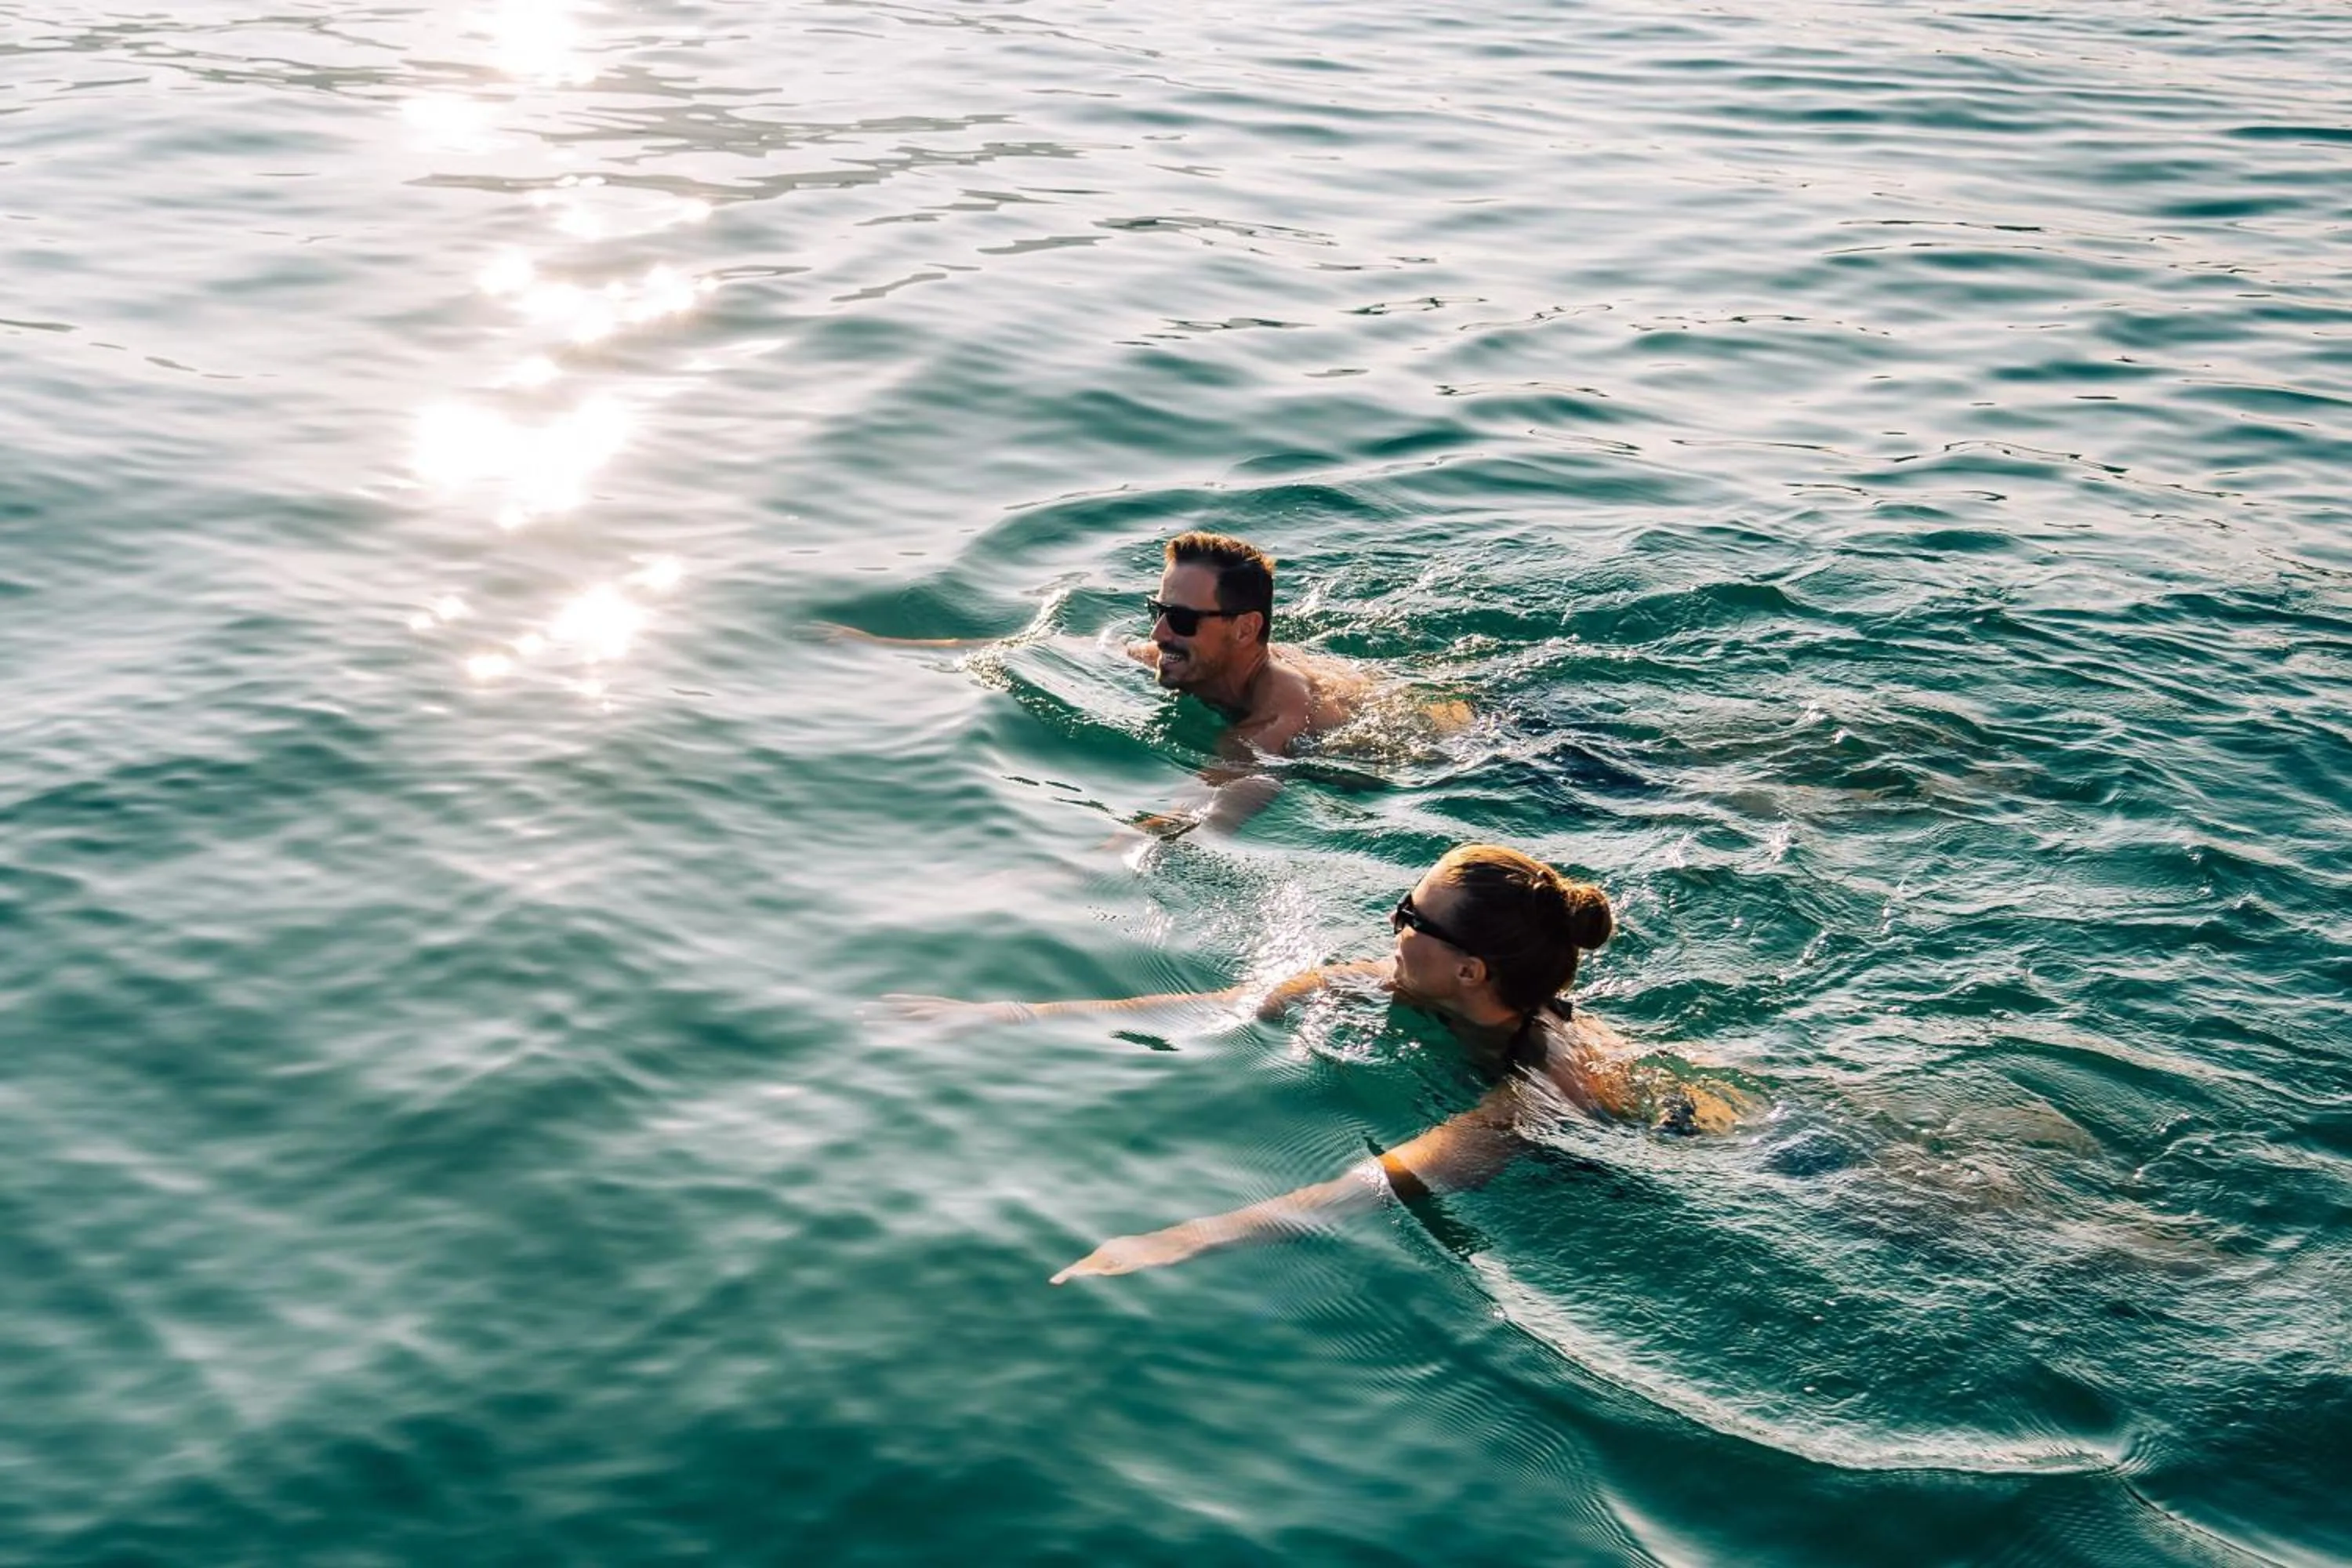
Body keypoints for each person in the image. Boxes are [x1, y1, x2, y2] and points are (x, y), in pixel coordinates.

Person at [886, 844, 1755, 1282]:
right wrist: (1016, 1014)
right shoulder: (1397, 983)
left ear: (1470, 971)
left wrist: (1181, 1238)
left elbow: (1374, 1183)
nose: (1393, 924)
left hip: (1755, 1155)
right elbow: (1228, 1004)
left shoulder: (1541, 1087)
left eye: (1412, 916)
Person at [823, 532, 1468, 835]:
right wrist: (881, 647)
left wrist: (1089, 867)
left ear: (1245, 631)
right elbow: (1044, 646)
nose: (1160, 635)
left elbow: (1206, 811)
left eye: (1182, 619)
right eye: (1156, 611)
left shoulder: (1277, 718)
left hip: (1487, 761)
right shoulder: (1183, 654)